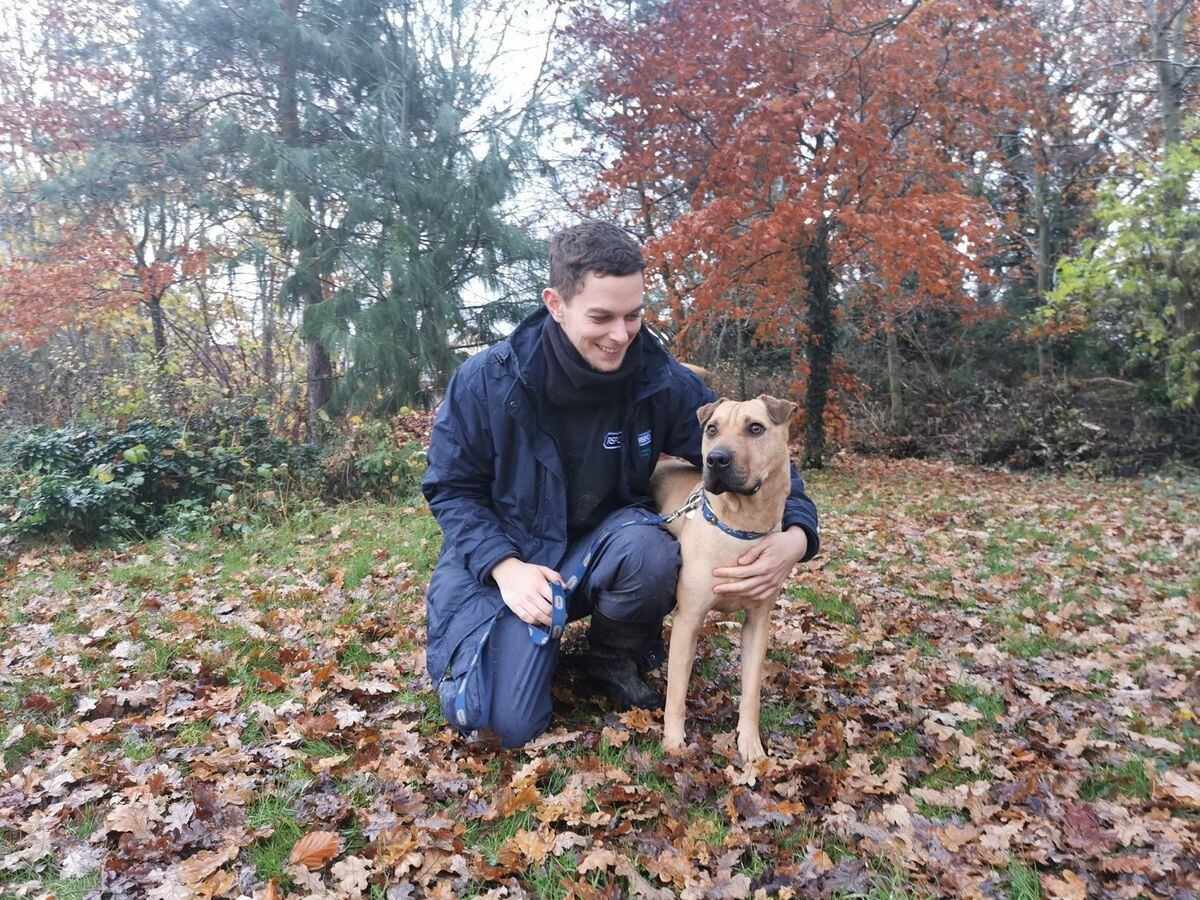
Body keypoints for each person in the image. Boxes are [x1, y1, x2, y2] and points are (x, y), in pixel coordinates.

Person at [421, 222, 820, 748]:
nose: (621, 334)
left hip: (606, 549)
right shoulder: (487, 381)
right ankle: (525, 645)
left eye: (633, 315)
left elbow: (753, 453)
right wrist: (504, 567)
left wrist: (797, 537)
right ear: (555, 303)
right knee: (501, 726)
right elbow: (451, 488)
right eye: (602, 317)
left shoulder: (660, 381)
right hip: (513, 554)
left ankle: (610, 658)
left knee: (650, 549)